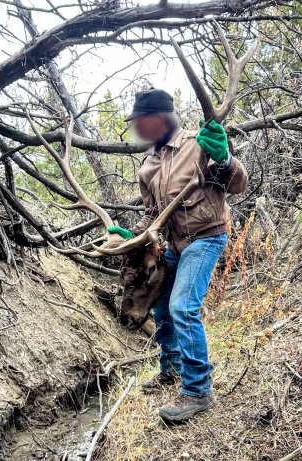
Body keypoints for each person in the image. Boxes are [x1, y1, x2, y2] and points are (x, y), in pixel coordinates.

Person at [112, 89, 248, 423]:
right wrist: (133, 236)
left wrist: (225, 158)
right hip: (174, 246)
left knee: (183, 307)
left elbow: (237, 184)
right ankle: (171, 369)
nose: (138, 128)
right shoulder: (149, 164)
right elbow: (151, 215)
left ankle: (198, 389)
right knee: (161, 306)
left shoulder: (198, 144)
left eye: (141, 121)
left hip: (206, 238)